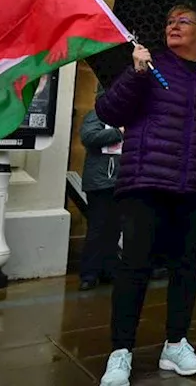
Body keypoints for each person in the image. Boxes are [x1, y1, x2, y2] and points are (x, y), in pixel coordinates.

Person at [95, 3, 196, 386]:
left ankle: (176, 343)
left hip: (194, 186)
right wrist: (135, 73)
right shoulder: (149, 66)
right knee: (134, 267)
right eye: (169, 21)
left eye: (183, 21)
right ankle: (120, 352)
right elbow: (108, 111)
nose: (173, 27)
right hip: (145, 181)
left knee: (186, 268)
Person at [78, 99, 122, 291]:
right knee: (97, 229)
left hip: (119, 180)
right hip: (100, 182)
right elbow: (88, 137)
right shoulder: (96, 114)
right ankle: (89, 273)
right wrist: (119, 132)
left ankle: (109, 270)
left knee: (114, 228)